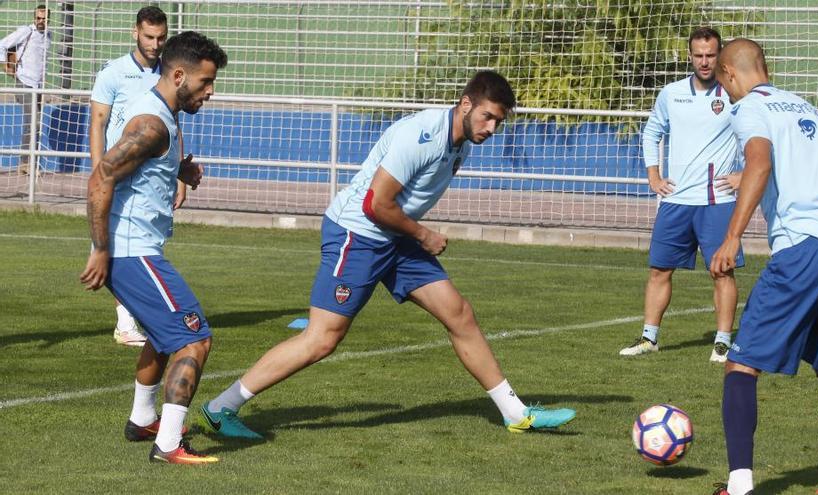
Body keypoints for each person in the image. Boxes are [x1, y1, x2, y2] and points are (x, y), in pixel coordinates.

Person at [199, 71, 576, 440]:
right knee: (321, 339)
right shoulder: (423, 136)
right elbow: (375, 203)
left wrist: (412, 233)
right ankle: (221, 407)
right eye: (487, 116)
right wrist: (424, 234)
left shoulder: (459, 140)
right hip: (358, 232)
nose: (492, 128)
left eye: (499, 121)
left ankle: (516, 414)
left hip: (395, 233)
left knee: (459, 312)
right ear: (465, 104)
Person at [710, 39, 818, 495]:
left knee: (741, 365)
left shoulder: (748, 110)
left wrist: (732, 236)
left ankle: (739, 486)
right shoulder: (808, 109)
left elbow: (758, 165)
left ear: (729, 73)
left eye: (723, 80)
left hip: (803, 247)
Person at [79, 31, 228, 464]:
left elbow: (137, 163)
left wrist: (179, 167)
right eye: (204, 82)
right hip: (131, 251)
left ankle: (144, 418)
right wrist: (100, 249)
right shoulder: (152, 123)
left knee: (165, 338)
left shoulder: (161, 112)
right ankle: (168, 443)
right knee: (194, 339)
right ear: (179, 75)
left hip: (136, 249)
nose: (210, 91)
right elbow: (102, 176)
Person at [619, 27, 743, 363]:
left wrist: (743, 175)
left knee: (722, 271)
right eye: (698, 55)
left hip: (717, 202)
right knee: (659, 270)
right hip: (675, 201)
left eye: (711, 55)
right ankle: (649, 338)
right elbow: (651, 132)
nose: (704, 61)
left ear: (720, 56)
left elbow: (759, 137)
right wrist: (653, 175)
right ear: (690, 56)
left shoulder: (734, 94)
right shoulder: (671, 93)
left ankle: (722, 341)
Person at [89, 6, 189, 347]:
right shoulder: (114, 72)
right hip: (120, 169)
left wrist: (178, 174)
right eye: (149, 36)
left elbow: (173, 120)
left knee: (148, 235)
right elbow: (98, 122)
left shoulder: (168, 72)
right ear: (135, 32)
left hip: (152, 170)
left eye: (161, 37)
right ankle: (126, 321)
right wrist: (99, 168)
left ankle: (135, 317)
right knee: (125, 240)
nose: (155, 43)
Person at [0, 5, 51, 175]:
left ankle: (28, 162)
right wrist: (5, 66)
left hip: (38, 86)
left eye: (44, 19)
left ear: (49, 20)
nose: (41, 22)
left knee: (34, 124)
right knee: (34, 120)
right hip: (24, 83)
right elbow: (2, 44)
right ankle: (26, 164)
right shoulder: (26, 31)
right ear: (34, 18)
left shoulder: (48, 36)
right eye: (38, 18)